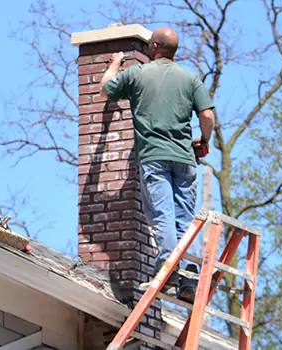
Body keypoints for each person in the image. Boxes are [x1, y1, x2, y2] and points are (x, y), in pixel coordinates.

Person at [100, 27, 215, 303]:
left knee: (163, 215)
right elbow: (207, 115)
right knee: (185, 218)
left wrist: (116, 61)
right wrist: (204, 140)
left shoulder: (139, 73)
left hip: (154, 156)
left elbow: (106, 88)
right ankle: (189, 277)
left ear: (153, 46)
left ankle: (167, 275)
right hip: (185, 158)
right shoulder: (189, 78)